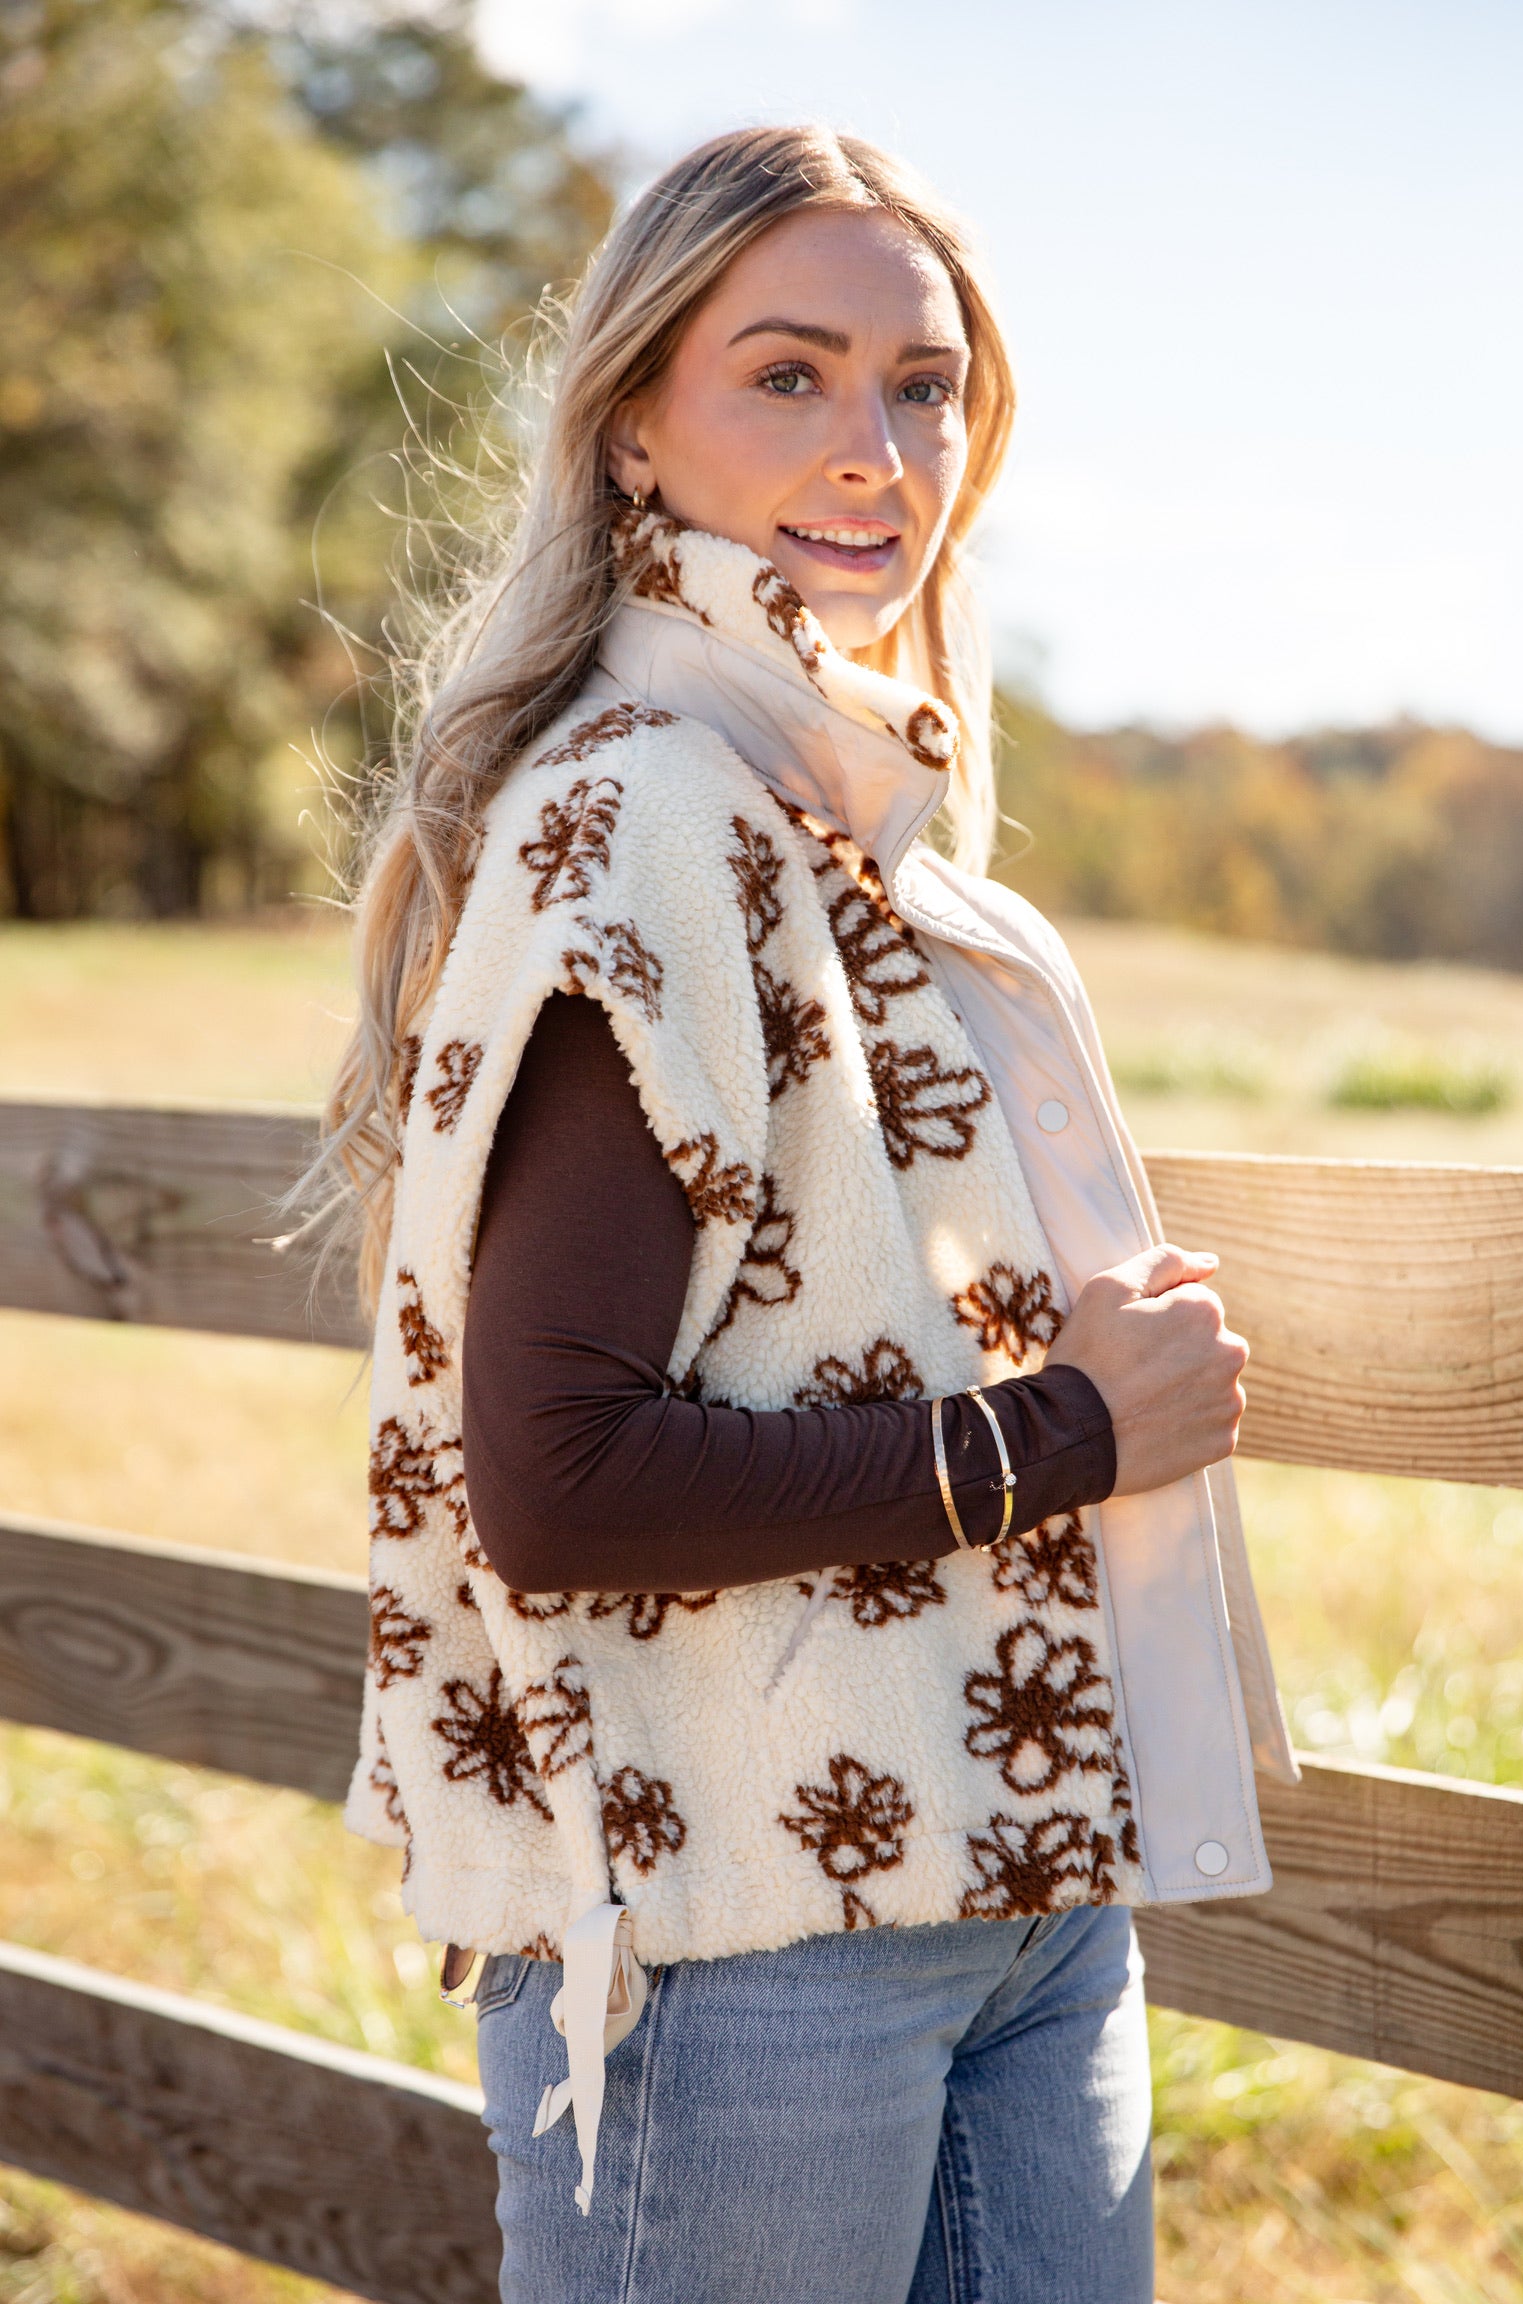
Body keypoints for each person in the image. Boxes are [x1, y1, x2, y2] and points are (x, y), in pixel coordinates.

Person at [317, 124, 1295, 2304]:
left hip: (1019, 1877)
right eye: (791, 374)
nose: (878, 448)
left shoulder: (845, 815)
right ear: (636, 420)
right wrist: (1076, 1432)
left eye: (926, 385)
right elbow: (553, 1482)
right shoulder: (646, 812)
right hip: (748, 1927)